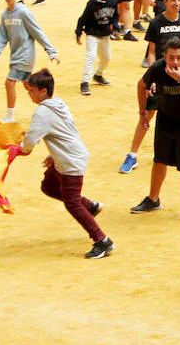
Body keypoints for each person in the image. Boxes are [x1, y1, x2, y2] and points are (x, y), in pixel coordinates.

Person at [19, 69, 113, 259]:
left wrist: (13, 149)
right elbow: (61, 132)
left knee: (72, 202)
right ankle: (90, 207)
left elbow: (28, 145)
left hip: (70, 161)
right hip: (67, 157)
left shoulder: (42, 113)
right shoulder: (58, 104)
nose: (29, 93)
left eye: (31, 90)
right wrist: (53, 155)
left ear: (43, 91)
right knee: (49, 186)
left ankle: (102, 241)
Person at [130, 37, 180, 224]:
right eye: (171, 58)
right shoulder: (158, 68)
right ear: (164, 57)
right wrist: (143, 112)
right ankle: (153, 199)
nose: (175, 62)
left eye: (179, 58)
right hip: (165, 120)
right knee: (159, 160)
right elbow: (141, 85)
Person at [118, 0, 180, 174]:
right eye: (173, 0)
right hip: (161, 74)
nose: (177, 3)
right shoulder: (156, 23)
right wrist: (152, 78)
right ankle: (132, 155)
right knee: (148, 114)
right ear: (165, 2)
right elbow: (151, 52)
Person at [0, 0, 59, 124]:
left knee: (9, 83)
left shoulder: (23, 12)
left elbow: (37, 32)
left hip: (25, 56)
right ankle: (51, 109)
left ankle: (10, 116)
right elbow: (2, 36)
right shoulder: (5, 15)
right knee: (30, 87)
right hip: (16, 56)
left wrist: (50, 51)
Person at [75, 0, 118, 96]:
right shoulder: (92, 4)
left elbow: (115, 16)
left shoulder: (113, 1)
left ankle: (98, 74)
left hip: (105, 35)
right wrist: (78, 32)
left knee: (107, 57)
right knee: (91, 57)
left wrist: (115, 27)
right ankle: (84, 82)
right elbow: (82, 18)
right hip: (92, 34)